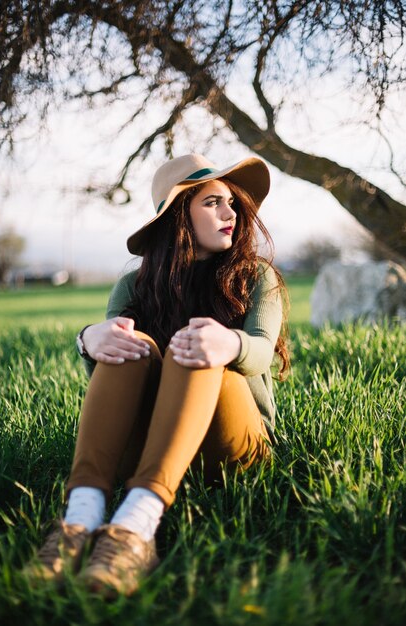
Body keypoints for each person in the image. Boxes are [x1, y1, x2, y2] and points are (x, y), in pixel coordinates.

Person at [23, 153, 289, 598]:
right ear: (178, 217)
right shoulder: (133, 286)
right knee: (132, 344)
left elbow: (261, 351)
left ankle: (135, 527)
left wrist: (230, 344)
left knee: (196, 343)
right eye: (213, 203)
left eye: (232, 203)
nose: (230, 213)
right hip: (147, 443)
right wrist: (88, 340)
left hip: (232, 451)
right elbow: (110, 367)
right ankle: (80, 519)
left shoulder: (257, 276)